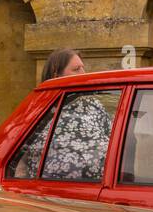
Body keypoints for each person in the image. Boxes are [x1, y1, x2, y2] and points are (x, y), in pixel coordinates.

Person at [15, 47, 111, 180]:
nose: (83, 73)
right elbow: (17, 156)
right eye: (76, 69)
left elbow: (113, 141)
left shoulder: (94, 106)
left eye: (83, 68)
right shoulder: (39, 110)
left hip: (95, 188)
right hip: (47, 191)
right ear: (56, 75)